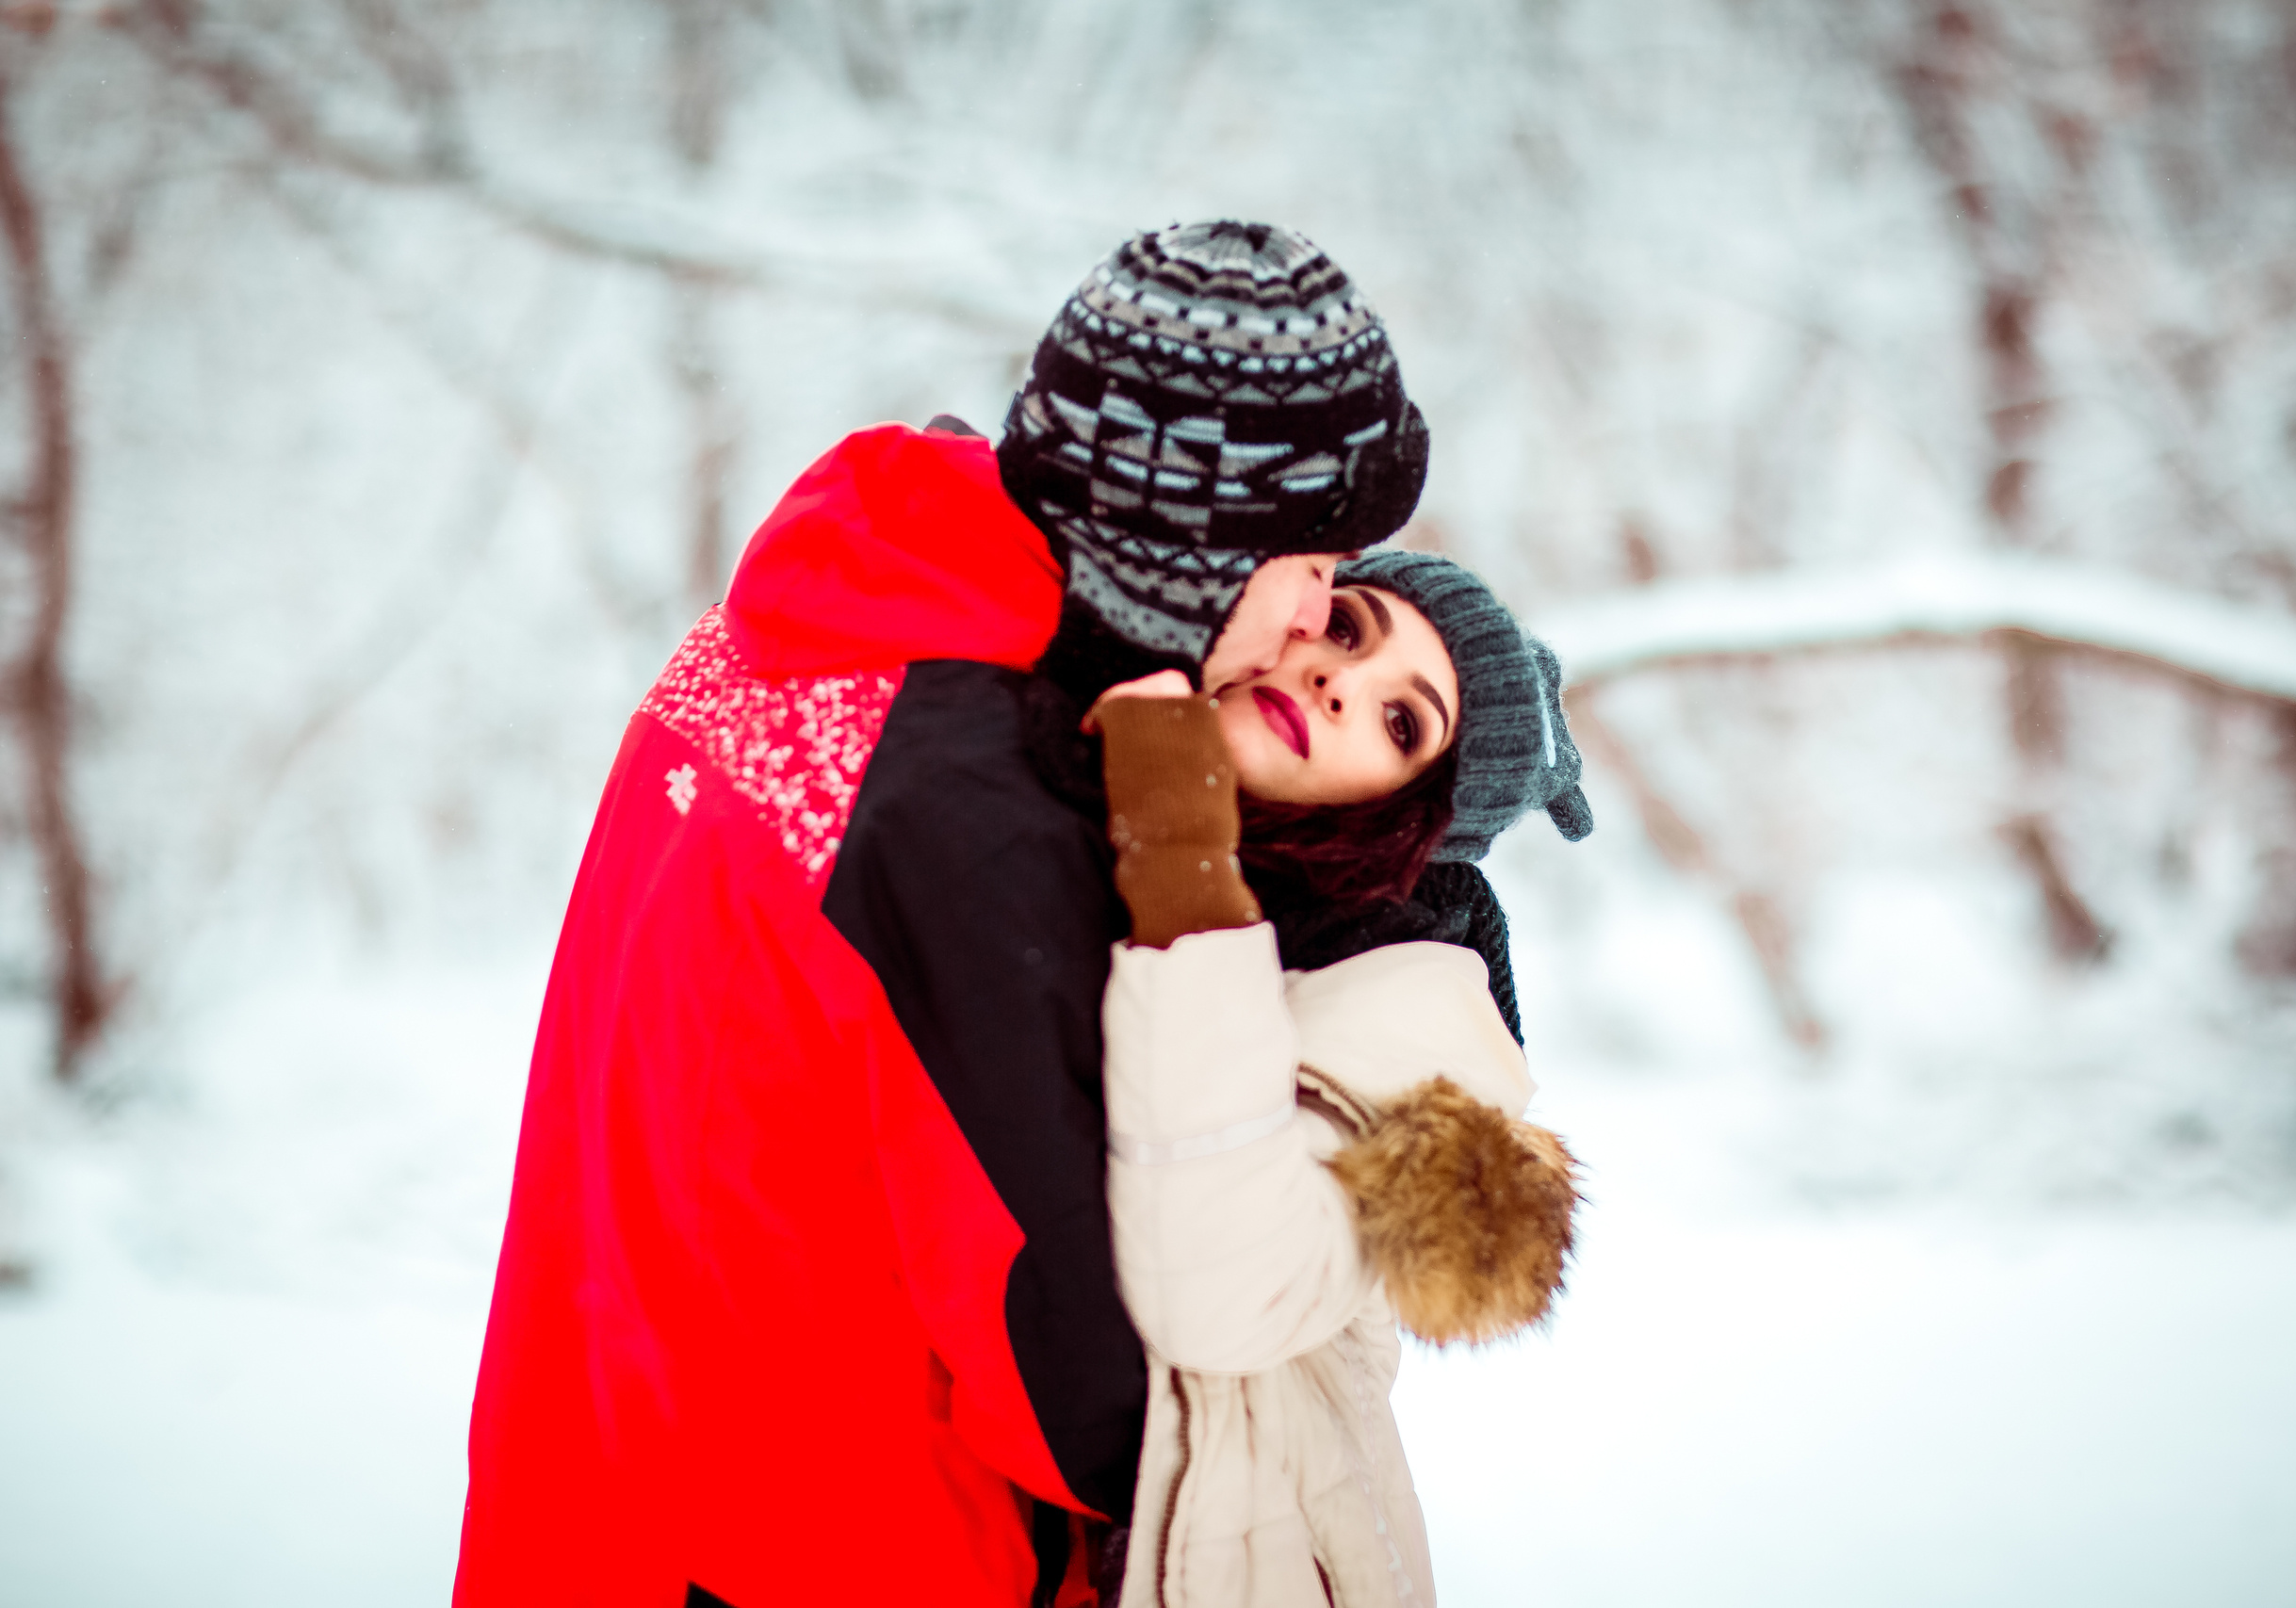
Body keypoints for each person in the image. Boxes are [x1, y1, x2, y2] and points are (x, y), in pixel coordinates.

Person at [452, 220, 1431, 1608]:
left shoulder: (810, 615)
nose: (1315, 616)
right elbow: (1103, 1404)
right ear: (1197, 542)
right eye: (1313, 560)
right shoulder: (968, 811)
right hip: (830, 1552)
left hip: (597, 1500)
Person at [1080, 550, 1593, 1606]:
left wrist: (1182, 854)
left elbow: (1224, 1293)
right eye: (1350, 630)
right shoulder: (1075, 784)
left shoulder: (1410, 1000)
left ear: (1414, 816)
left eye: (1402, 723)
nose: (1337, 683)